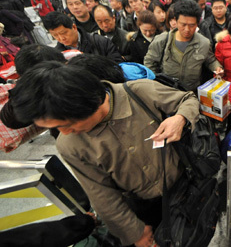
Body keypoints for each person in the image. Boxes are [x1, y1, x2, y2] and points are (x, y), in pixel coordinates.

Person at [8, 61, 199, 247]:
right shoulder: (70, 145)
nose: (63, 132)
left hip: (186, 181)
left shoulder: (139, 92)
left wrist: (180, 118)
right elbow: (102, 195)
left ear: (86, 104)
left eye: (64, 125)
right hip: (142, 205)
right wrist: (135, 232)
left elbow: (187, 99)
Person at [144, 0, 223, 92]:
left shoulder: (204, 43)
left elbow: (210, 60)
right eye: (183, 24)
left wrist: (217, 68)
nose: (187, 29)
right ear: (176, 21)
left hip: (191, 93)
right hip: (166, 92)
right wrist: (156, 84)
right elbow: (149, 63)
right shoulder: (162, 40)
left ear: (197, 24)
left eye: (192, 25)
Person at [43, 11, 123, 63]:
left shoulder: (99, 41)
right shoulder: (58, 54)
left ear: (74, 27)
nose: (61, 38)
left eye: (64, 33)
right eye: (55, 35)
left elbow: (117, 64)